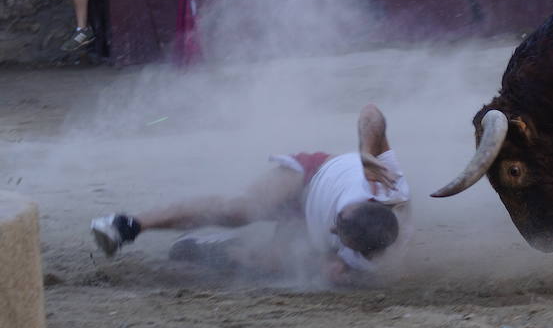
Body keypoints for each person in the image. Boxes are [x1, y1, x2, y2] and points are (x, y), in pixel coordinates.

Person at [89, 104, 413, 285]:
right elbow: (371, 113)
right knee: (241, 210)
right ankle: (127, 225)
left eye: (338, 232)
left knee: (268, 266)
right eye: (339, 219)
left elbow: (337, 262)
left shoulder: (368, 257)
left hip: (305, 224)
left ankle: (209, 248)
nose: (333, 226)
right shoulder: (389, 185)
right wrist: (366, 151)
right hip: (309, 178)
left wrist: (332, 268)